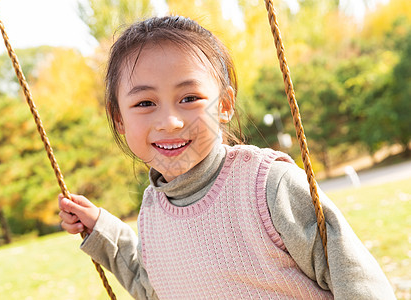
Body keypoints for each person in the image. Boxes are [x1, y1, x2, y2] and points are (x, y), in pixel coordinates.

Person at [58, 16, 395, 299]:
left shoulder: (267, 186)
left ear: (224, 104)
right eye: (145, 103)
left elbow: (357, 281)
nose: (170, 121)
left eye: (189, 97)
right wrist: (102, 231)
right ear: (119, 119)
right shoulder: (152, 212)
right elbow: (159, 290)